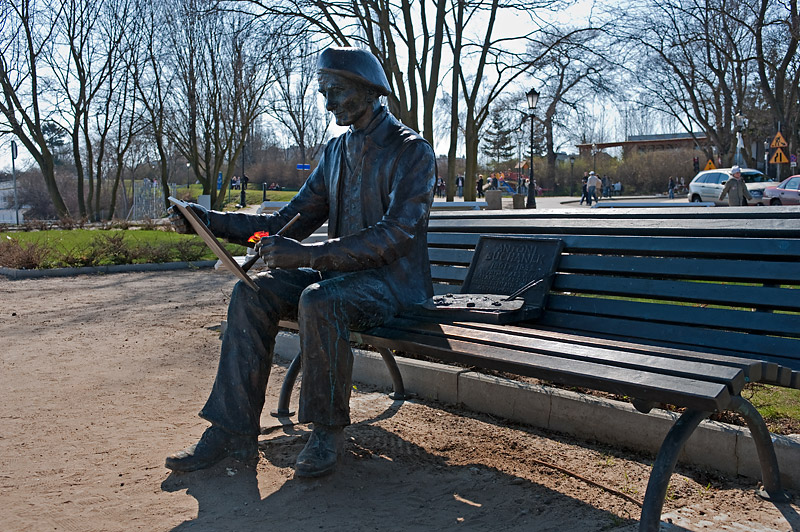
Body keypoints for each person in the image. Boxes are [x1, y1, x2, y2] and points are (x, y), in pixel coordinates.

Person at [165, 47, 436, 478]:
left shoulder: (411, 151)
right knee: (254, 291)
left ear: (370, 91)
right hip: (339, 278)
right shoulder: (336, 152)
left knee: (319, 299)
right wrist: (208, 221)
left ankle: (326, 431)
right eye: (324, 92)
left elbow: (396, 235)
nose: (328, 103)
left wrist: (308, 256)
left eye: (337, 91)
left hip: (394, 286)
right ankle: (231, 430)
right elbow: (283, 223)